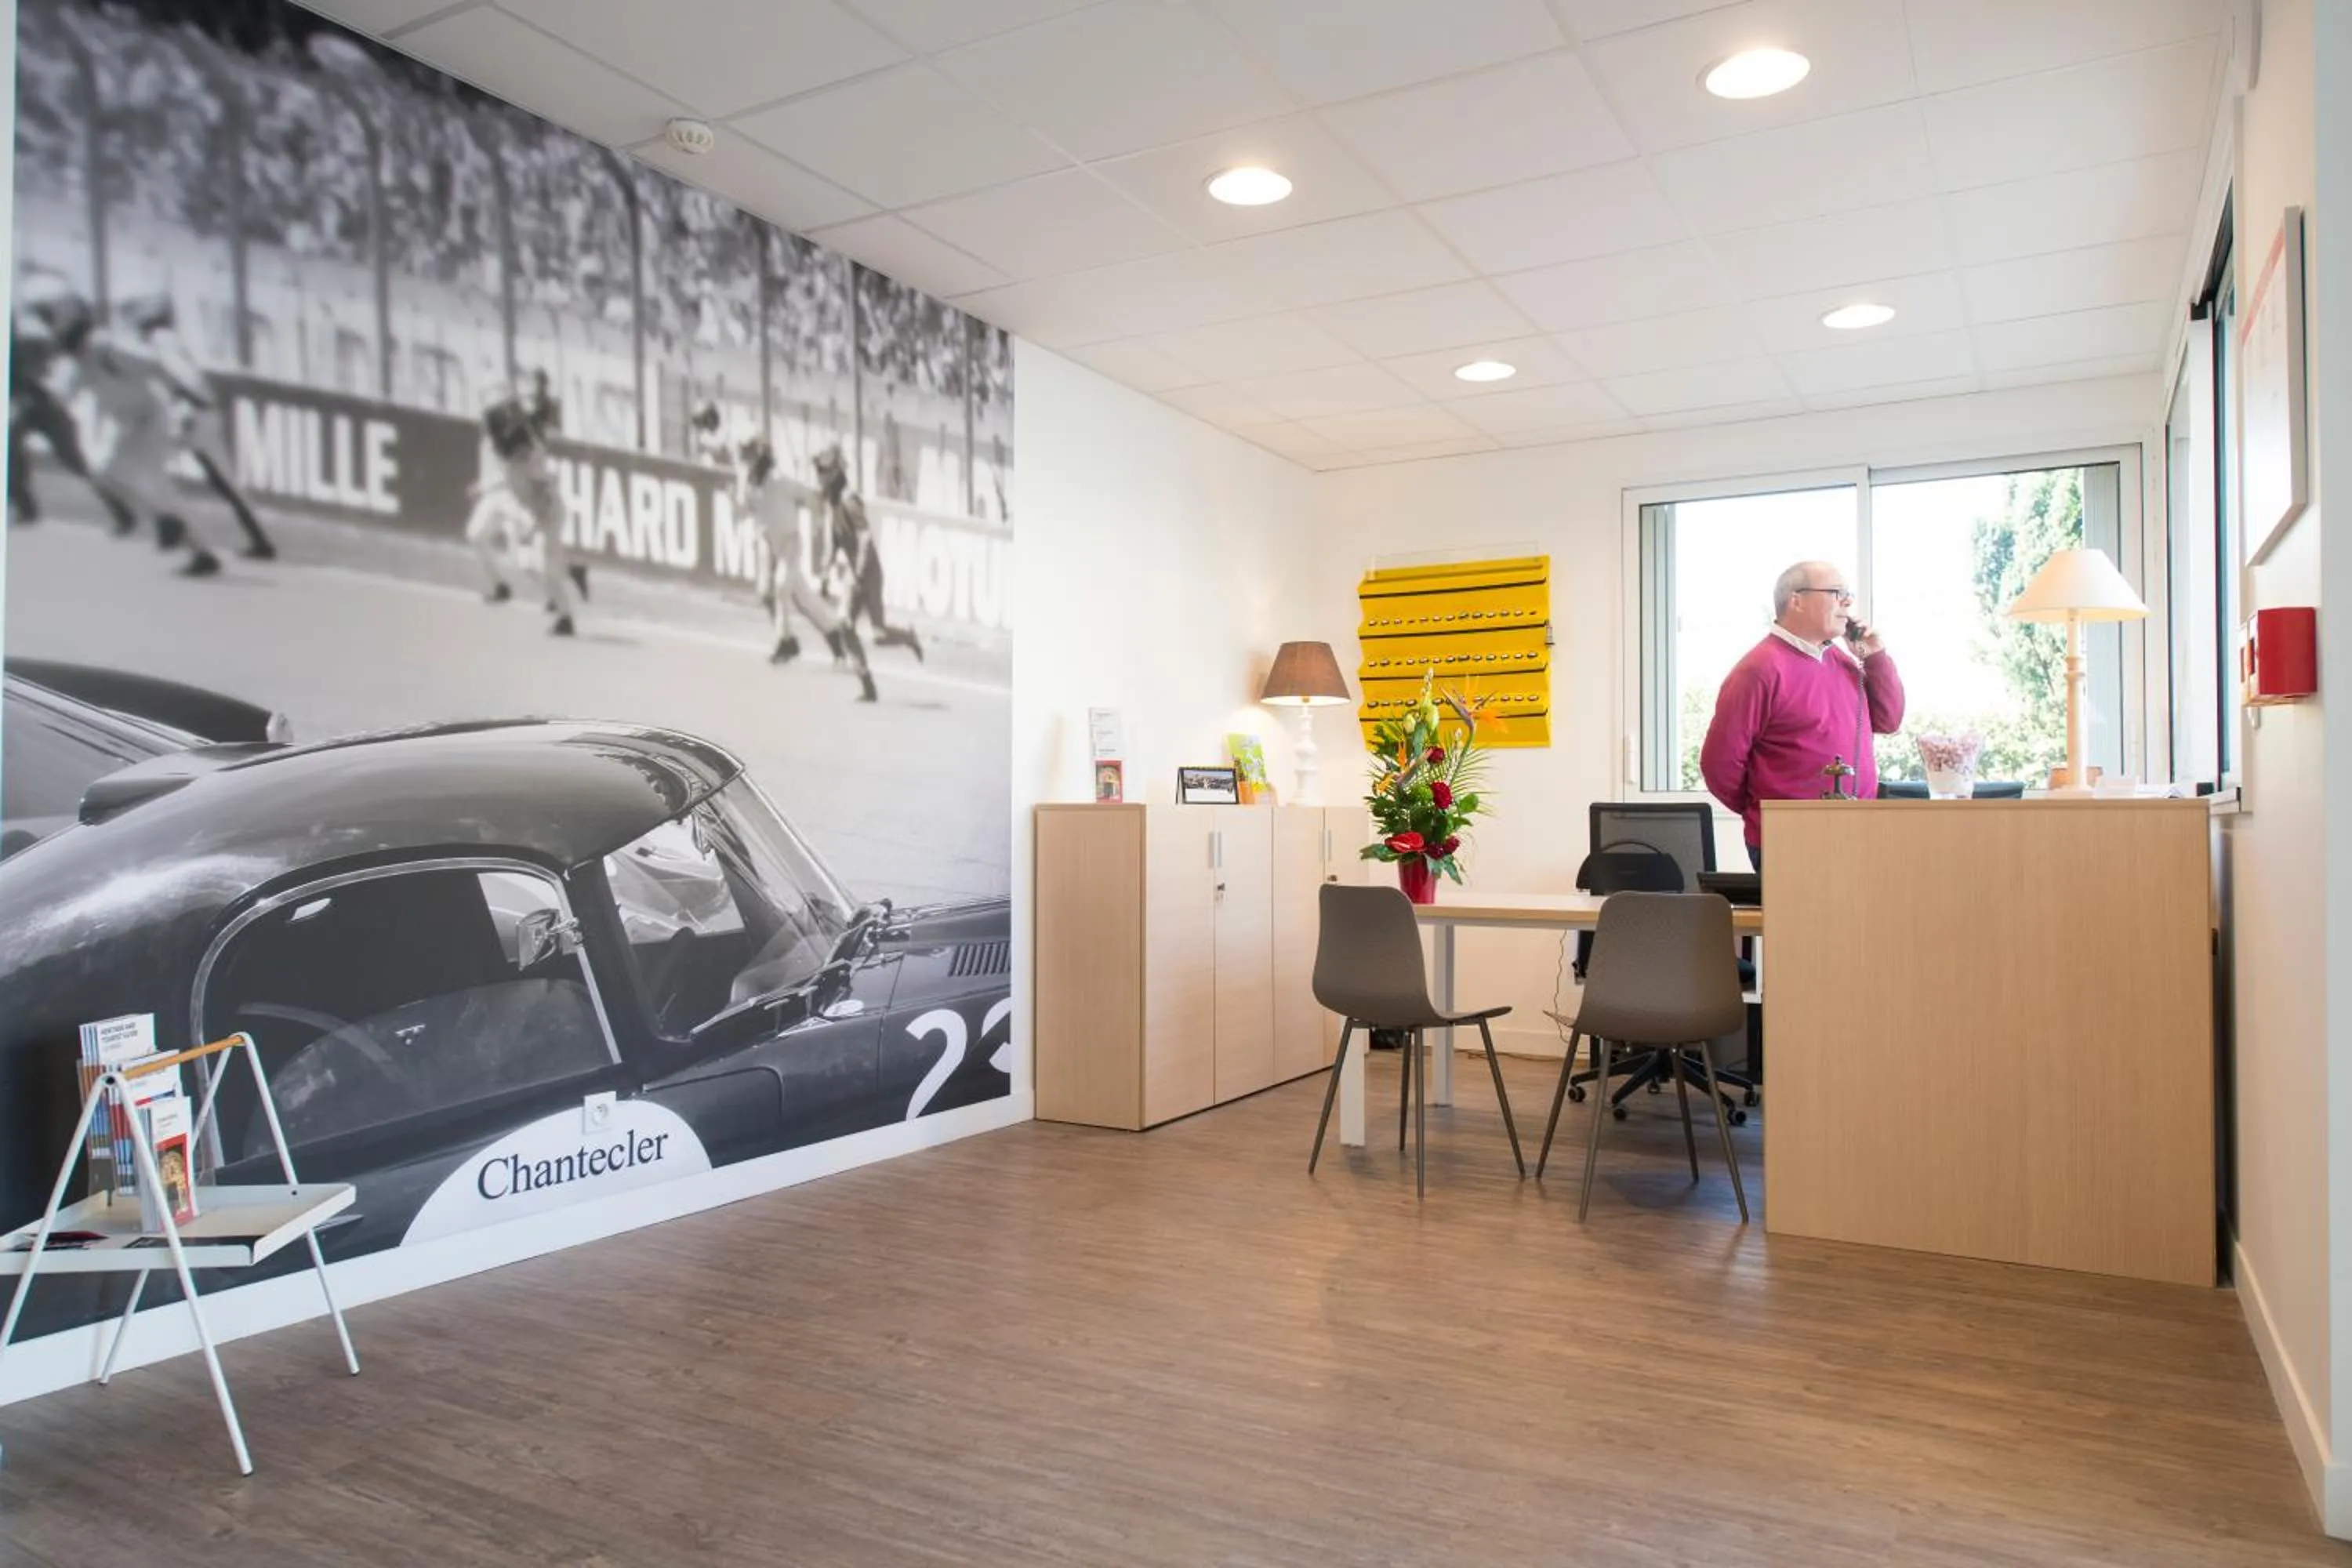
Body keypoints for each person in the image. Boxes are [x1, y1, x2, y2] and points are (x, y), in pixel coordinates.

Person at [1700, 561, 1906, 871]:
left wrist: (1874, 654)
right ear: (1796, 600)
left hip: (1857, 834)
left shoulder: (1843, 662)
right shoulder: (1759, 670)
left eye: (1847, 594)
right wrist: (1763, 808)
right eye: (1837, 593)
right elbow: (1719, 765)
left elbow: (1889, 720)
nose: (1847, 602)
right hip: (1789, 840)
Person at [48, 294, 225, 578]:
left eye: (75, 339)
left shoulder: (110, 348)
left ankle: (169, 525)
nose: (76, 350)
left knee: (117, 474)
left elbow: (158, 367)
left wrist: (185, 399)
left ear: (85, 332)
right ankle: (197, 549)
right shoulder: (77, 362)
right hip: (128, 424)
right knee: (123, 479)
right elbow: (64, 395)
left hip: (153, 417)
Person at [122, 294, 278, 560]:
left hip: (190, 415)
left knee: (144, 466)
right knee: (223, 481)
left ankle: (170, 528)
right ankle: (260, 541)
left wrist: (185, 404)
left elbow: (185, 376)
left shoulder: (161, 340)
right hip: (201, 414)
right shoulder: (167, 339)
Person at [741, 437, 876, 702]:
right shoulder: (748, 484)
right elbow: (750, 509)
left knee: (782, 587)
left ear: (763, 460)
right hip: (771, 544)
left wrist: (816, 521)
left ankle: (787, 642)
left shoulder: (780, 481)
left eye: (752, 458)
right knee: (802, 600)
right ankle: (834, 636)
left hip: (790, 543)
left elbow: (810, 498)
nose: (749, 464)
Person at [474, 385, 578, 636]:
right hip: (536, 514)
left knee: (542, 565)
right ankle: (562, 593)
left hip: (549, 513)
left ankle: (566, 618)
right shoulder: (510, 462)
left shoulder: (530, 458)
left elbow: (544, 480)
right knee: (526, 563)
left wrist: (539, 514)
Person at [813, 445, 922, 664]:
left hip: (869, 573)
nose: (819, 476)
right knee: (845, 626)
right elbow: (834, 542)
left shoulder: (848, 499)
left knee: (879, 636)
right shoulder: (830, 502)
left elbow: (864, 536)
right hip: (854, 573)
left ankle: (908, 637)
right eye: (819, 471)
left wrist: (860, 570)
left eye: (824, 471)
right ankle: (867, 683)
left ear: (836, 473)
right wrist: (826, 574)